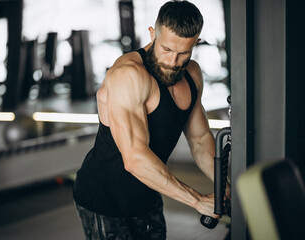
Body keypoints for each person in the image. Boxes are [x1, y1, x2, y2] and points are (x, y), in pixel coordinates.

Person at [73, 1, 228, 239]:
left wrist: (222, 185)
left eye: (183, 53)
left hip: (149, 191)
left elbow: (199, 139)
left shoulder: (192, 74)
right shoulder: (129, 75)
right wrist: (196, 200)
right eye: (166, 49)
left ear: (195, 43)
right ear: (152, 34)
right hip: (104, 199)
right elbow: (135, 159)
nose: (173, 61)